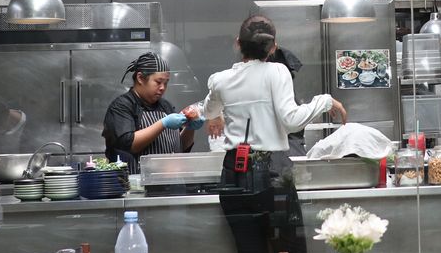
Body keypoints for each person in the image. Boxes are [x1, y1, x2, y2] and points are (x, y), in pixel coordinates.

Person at [203, 15, 345, 159]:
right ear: (273, 48)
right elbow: (291, 121)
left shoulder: (220, 80)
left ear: (238, 43)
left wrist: (216, 115)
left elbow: (208, 112)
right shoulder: (277, 71)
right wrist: (325, 101)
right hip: (270, 164)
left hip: (234, 164)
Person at [102, 51, 203, 173]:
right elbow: (129, 144)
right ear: (140, 78)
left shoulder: (166, 106)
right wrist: (163, 123)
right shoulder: (122, 106)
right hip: (135, 181)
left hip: (169, 179)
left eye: (166, 83)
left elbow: (181, 147)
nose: (162, 88)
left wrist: (190, 128)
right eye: (158, 82)